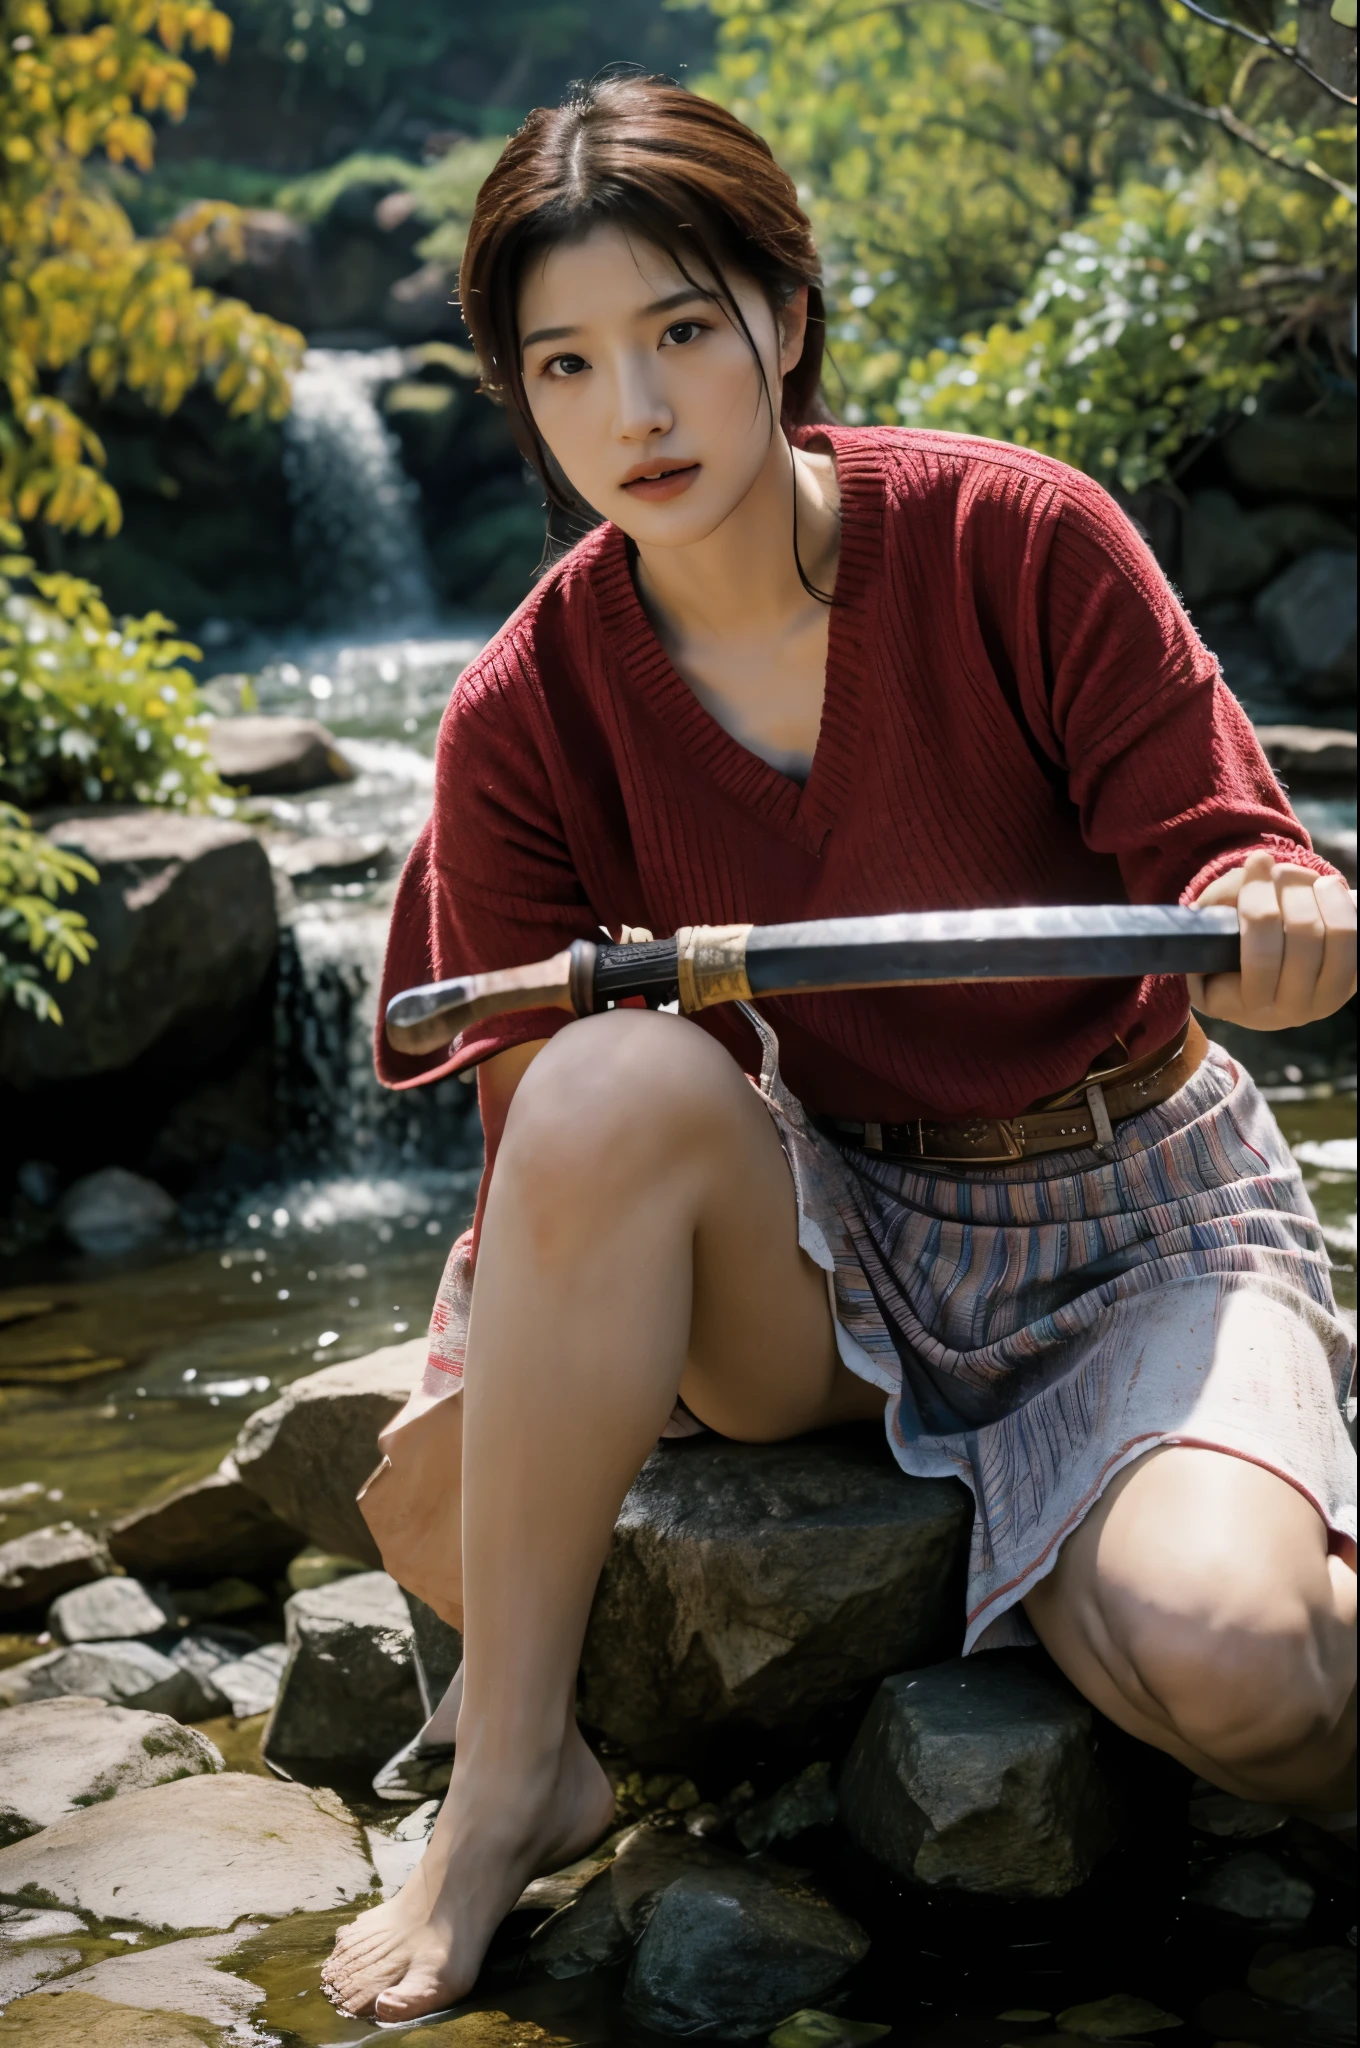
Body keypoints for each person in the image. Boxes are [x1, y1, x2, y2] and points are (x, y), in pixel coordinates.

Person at [322, 73, 1356, 2024]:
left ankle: (1153, 1550)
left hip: (1135, 1214)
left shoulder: (1013, 539)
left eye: (681, 333)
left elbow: (1224, 843)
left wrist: (1271, 908)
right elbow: (547, 1147)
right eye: (563, 364)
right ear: (519, 395)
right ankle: (507, 1781)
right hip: (831, 1230)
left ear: (782, 317)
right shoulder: (520, 715)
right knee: (609, 1065)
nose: (631, 413)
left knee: (1231, 1667)